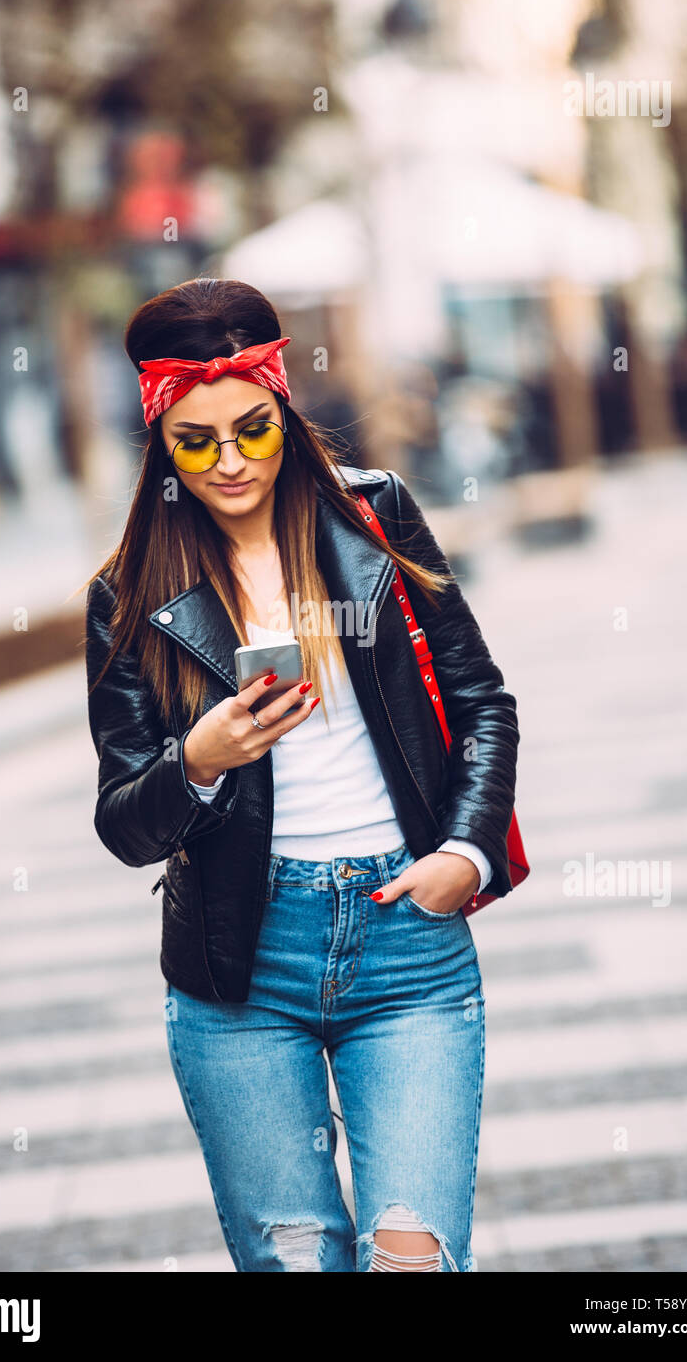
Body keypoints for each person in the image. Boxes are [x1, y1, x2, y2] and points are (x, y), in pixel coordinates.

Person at [84, 277, 519, 1272]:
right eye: (197, 443)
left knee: (413, 1256)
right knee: (295, 1260)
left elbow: (481, 699)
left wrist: (466, 850)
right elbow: (123, 823)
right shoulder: (128, 594)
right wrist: (197, 762)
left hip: (408, 946)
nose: (232, 461)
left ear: (282, 409)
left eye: (253, 430)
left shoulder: (374, 517)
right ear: (161, 446)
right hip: (239, 966)